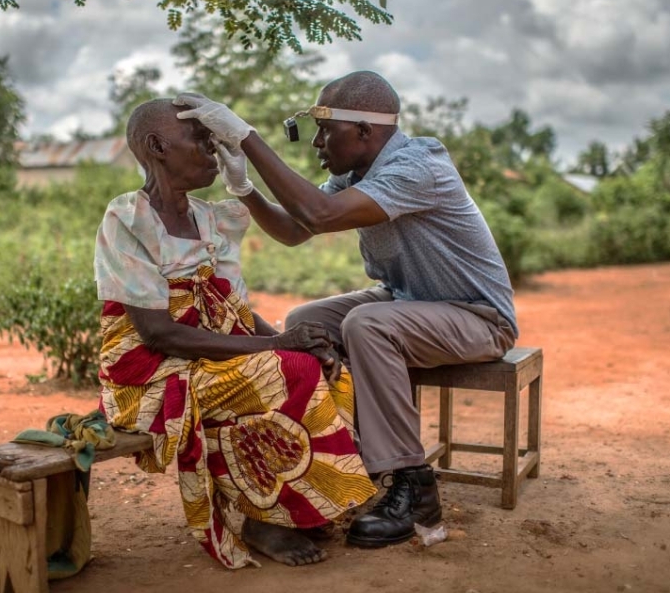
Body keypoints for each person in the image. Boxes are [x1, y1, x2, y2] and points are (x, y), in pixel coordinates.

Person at [173, 70, 518, 548]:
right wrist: (244, 189)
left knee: (367, 325)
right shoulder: (355, 175)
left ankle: (413, 488)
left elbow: (320, 214)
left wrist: (248, 137)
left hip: (478, 317)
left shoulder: (420, 165)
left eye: (324, 129)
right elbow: (297, 229)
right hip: (411, 303)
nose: (316, 143)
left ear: (364, 131)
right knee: (304, 322)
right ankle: (343, 455)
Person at [93, 98, 376, 569]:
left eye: (215, 140)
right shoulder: (127, 220)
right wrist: (277, 345)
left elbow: (233, 310)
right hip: (151, 374)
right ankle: (266, 519)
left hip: (209, 356)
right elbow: (159, 334)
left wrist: (296, 338)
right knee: (284, 371)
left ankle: (303, 508)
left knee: (327, 367)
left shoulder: (211, 219)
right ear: (157, 146)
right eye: (201, 141)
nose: (213, 151)